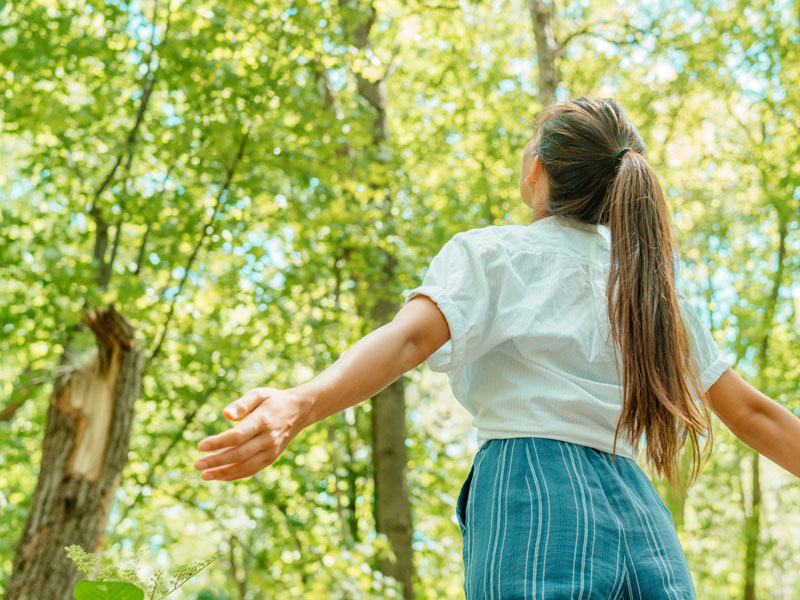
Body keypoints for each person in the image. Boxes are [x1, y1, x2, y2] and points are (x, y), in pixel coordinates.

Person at [193, 96, 800, 599]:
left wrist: (300, 402)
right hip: (640, 515)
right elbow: (752, 413)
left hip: (534, 494)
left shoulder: (497, 254)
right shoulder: (651, 293)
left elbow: (407, 340)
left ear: (537, 166)